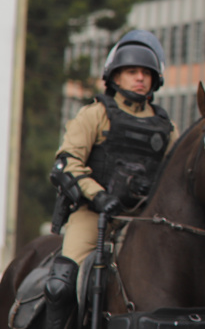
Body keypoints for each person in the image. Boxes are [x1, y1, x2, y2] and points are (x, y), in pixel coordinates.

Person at [43, 30, 180, 329]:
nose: (140, 78)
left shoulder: (167, 128)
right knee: (62, 285)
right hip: (94, 216)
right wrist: (99, 195)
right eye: (132, 72)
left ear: (155, 80)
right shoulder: (95, 114)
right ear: (115, 78)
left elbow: (176, 178)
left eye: (146, 73)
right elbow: (66, 164)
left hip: (143, 221)